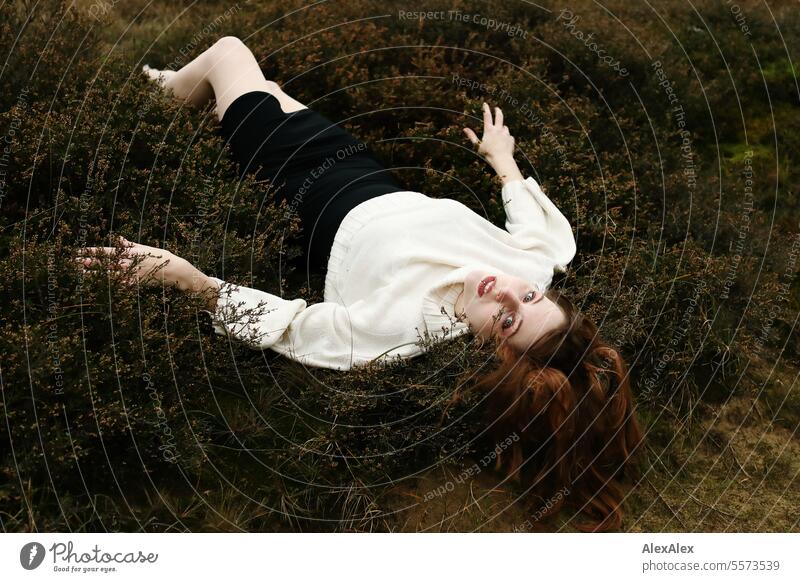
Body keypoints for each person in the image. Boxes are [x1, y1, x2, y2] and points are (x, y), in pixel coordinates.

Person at [76, 36, 643, 531]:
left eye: (508, 317)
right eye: (529, 296)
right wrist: (503, 160)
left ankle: (150, 99)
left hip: (297, 184)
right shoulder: (531, 269)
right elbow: (542, 238)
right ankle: (181, 92)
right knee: (263, 85)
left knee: (229, 53)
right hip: (362, 171)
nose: (505, 289)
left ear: (489, 345)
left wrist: (187, 279)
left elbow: (296, 328)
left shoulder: (403, 329)